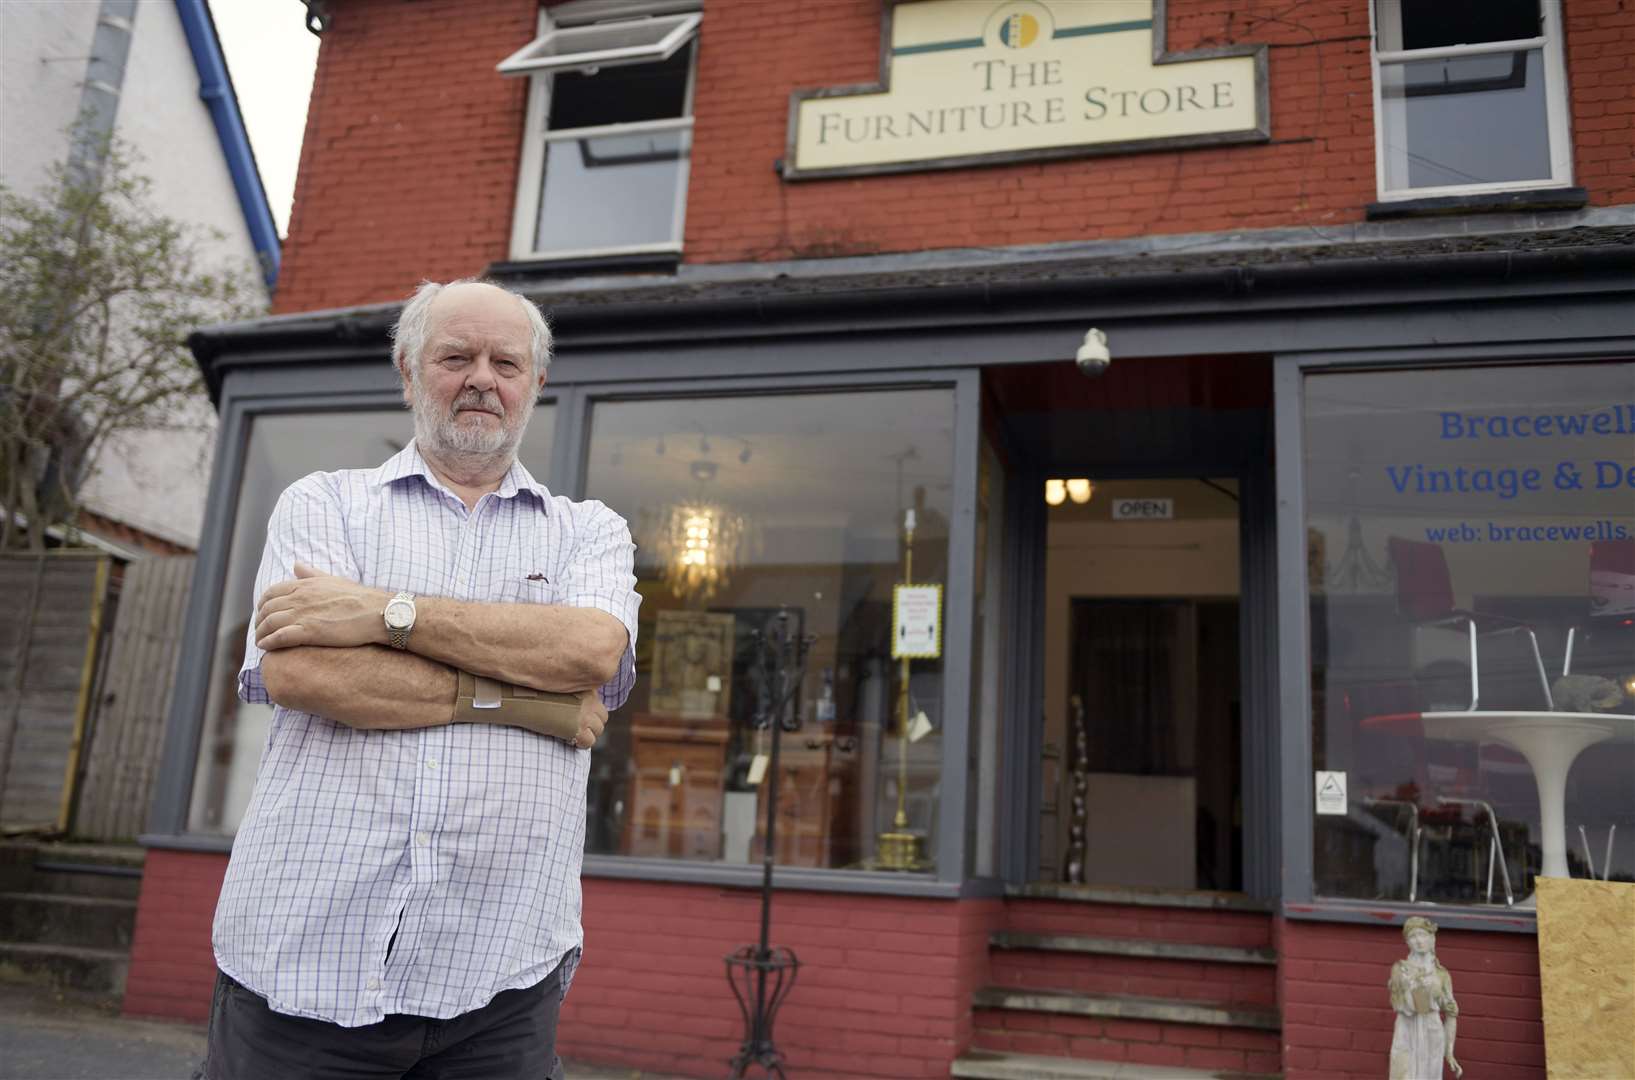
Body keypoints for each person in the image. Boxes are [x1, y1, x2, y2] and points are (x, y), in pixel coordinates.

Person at [197, 279, 641, 1080]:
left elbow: (589, 653)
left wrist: (383, 614)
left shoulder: (588, 532)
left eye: (506, 361)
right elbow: (301, 672)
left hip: (499, 988)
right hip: (302, 973)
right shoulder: (325, 504)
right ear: (408, 371)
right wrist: (529, 702)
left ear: (535, 384)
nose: (482, 378)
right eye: (455, 356)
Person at [1387, 916, 1462, 1080]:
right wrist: (1410, 985)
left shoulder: (1441, 974)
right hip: (1406, 1030)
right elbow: (1398, 1003)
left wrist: (1449, 1052)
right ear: (1407, 942)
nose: (1418, 940)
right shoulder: (1400, 969)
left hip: (1432, 1031)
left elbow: (1451, 1013)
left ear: (1431, 938)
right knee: (1403, 1074)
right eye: (1413, 936)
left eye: (1422, 934)